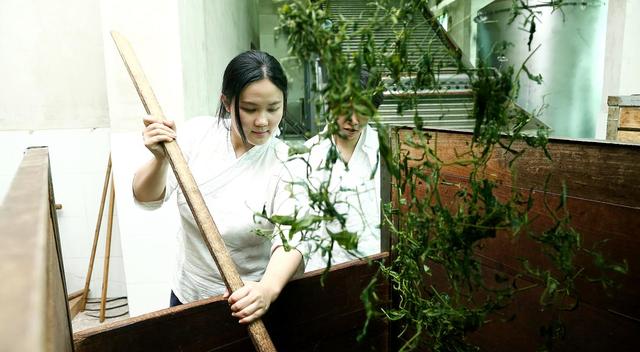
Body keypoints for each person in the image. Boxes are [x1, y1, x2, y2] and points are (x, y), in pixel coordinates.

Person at [132, 50, 303, 324]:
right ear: (226, 102)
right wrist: (159, 160)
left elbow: (291, 239)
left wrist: (267, 289)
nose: (263, 121)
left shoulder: (286, 162)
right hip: (189, 294)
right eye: (250, 108)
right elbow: (147, 198)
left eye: (273, 108)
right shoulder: (197, 134)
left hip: (249, 301)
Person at [289, 69, 384, 272]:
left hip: (381, 267)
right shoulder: (309, 156)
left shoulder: (386, 151)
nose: (355, 121)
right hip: (328, 271)